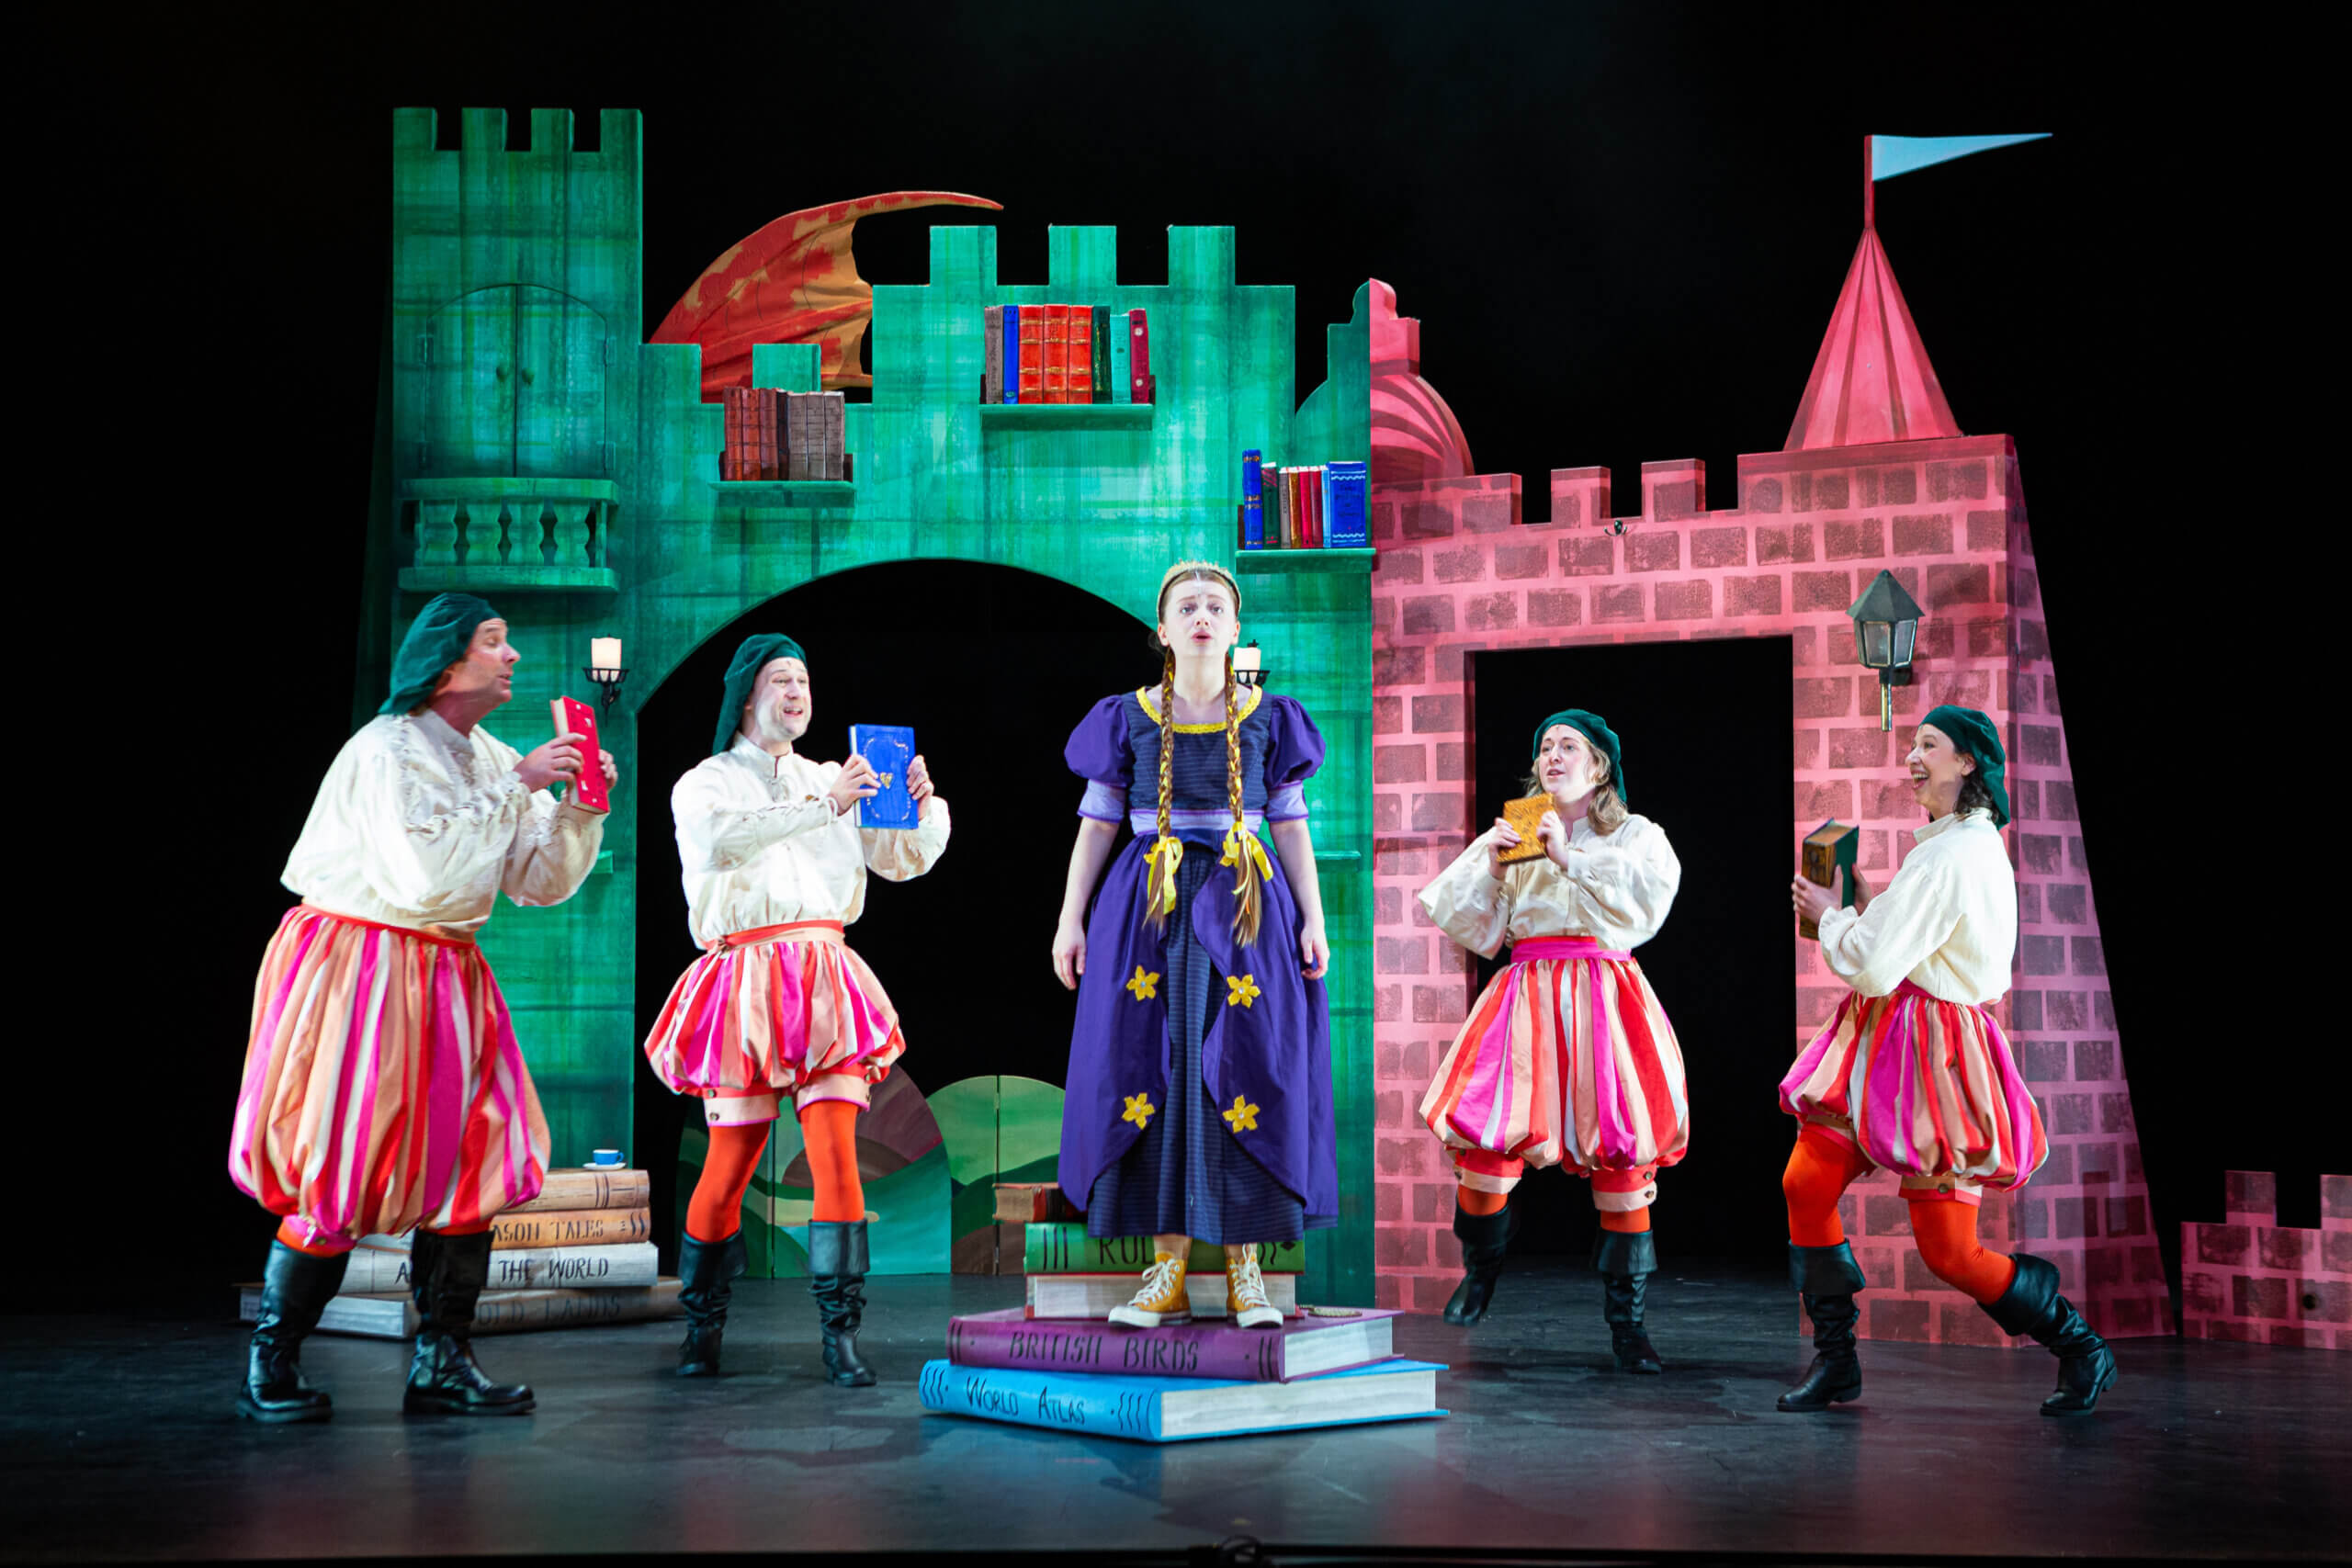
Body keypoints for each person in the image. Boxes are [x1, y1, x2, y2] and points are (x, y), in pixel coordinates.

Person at [229, 593, 614, 1421]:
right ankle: (273, 1357)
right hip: (366, 963)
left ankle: (443, 1358)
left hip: (447, 969)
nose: (512, 656)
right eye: (494, 641)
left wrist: (578, 806)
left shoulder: (489, 754)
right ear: (445, 662)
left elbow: (538, 880)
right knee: (346, 1159)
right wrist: (520, 782)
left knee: (475, 1158)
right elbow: (421, 875)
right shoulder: (385, 749)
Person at [1781, 704, 2114, 1416]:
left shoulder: (1954, 854)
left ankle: (2080, 1344)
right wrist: (1866, 906)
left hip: (1933, 1050)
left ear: (1967, 762)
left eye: (1928, 744)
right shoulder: (1952, 845)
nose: (1913, 755)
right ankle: (1836, 1358)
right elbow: (1916, 941)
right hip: (1890, 1036)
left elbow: (1875, 966)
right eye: (1913, 743)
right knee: (1806, 1181)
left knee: (1950, 1252)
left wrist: (1831, 916)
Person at [643, 634, 947, 1385]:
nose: (796, 691)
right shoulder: (707, 782)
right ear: (747, 695)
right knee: (729, 1162)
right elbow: (721, 844)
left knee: (837, 1150)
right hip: (744, 974)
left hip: (821, 971)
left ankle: (841, 1334)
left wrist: (919, 807)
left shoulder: (829, 776)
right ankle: (702, 1327)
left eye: (804, 680)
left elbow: (898, 859)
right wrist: (824, 804)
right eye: (781, 679)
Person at [1052, 560, 1333, 1330]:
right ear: (1163, 628)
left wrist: (1313, 917)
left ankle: (1246, 1269)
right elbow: (1097, 827)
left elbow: (1291, 827)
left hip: (1246, 911)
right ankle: (1166, 1269)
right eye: (1187, 606)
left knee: (1244, 1067)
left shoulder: (1272, 718)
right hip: (1150, 912)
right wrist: (1070, 918)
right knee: (1157, 1068)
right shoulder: (1128, 717)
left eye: (1215, 606)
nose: (1202, 616)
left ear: (1235, 627)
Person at [1417, 711, 1687, 1372]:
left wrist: (1570, 856)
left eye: (1569, 746)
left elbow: (1647, 903)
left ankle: (1628, 1326)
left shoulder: (1634, 833)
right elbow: (1475, 926)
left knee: (1622, 1155)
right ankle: (1482, 1264)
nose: (1553, 756)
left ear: (1599, 767)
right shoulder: (1517, 830)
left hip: (1604, 995)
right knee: (1485, 1140)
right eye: (1545, 747)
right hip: (1528, 994)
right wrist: (1491, 862)